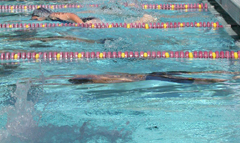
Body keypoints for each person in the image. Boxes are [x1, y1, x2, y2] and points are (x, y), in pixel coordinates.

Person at [69, 71, 226, 85]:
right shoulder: (98, 80)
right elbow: (124, 80)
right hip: (147, 78)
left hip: (146, 75)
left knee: (181, 75)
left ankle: (218, 76)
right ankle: (219, 80)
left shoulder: (99, 77)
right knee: (182, 80)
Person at [31, 7, 101, 24]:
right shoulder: (49, 17)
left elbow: (71, 15)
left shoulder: (53, 15)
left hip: (91, 21)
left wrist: (82, 24)